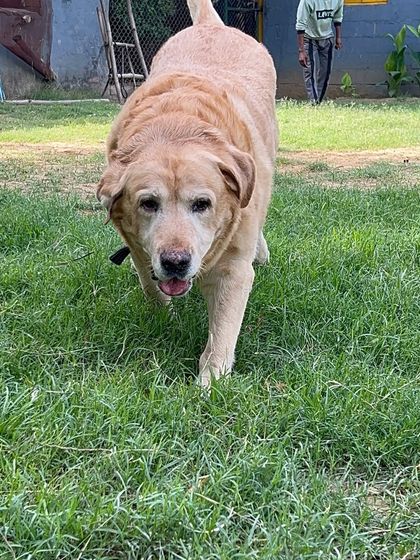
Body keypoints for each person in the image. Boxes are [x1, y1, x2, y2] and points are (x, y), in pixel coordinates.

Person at [296, 0, 344, 104]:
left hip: (327, 37)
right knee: (309, 71)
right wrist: (301, 50)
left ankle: (318, 101)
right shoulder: (307, 1)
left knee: (326, 72)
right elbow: (300, 24)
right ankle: (313, 102)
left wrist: (338, 37)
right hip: (309, 37)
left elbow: (338, 18)